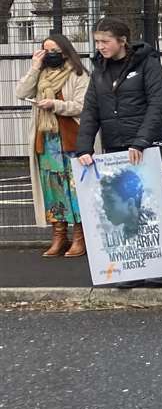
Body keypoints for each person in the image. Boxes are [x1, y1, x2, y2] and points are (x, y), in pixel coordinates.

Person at [75, 18, 162, 285]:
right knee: (122, 208)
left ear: (122, 41)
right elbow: (90, 111)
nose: (100, 46)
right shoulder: (99, 71)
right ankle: (130, 269)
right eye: (97, 41)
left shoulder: (148, 65)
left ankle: (158, 267)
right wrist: (84, 146)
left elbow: (158, 104)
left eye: (105, 41)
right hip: (116, 146)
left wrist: (141, 141)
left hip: (145, 146)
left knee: (148, 204)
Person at [17, 33, 90, 257]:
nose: (50, 55)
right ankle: (59, 236)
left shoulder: (79, 73)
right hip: (47, 141)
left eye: (54, 51)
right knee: (53, 189)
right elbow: (21, 92)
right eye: (45, 50)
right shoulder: (42, 74)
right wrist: (35, 67)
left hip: (71, 139)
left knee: (76, 188)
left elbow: (81, 106)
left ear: (66, 51)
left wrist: (55, 104)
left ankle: (80, 237)